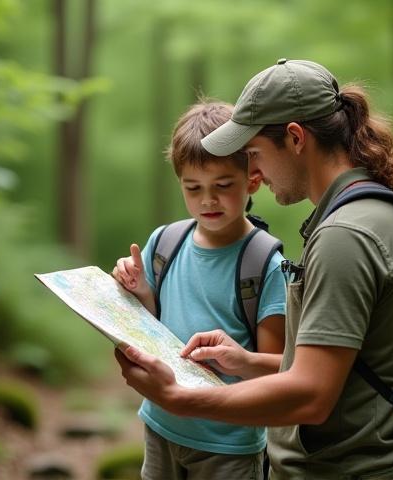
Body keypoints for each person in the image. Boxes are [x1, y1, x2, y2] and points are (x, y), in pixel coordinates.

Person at [115, 59, 393, 479]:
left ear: (295, 138)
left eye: (254, 153)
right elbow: (320, 369)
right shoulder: (371, 212)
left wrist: (180, 399)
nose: (253, 172)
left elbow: (311, 396)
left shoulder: (346, 236)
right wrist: (242, 360)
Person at [112, 100, 287, 480]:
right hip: (160, 421)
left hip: (227, 441)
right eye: (193, 188)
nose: (207, 200)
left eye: (223, 186)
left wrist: (239, 359)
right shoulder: (165, 241)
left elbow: (279, 368)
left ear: (252, 180)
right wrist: (139, 289)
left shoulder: (263, 264)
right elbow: (152, 321)